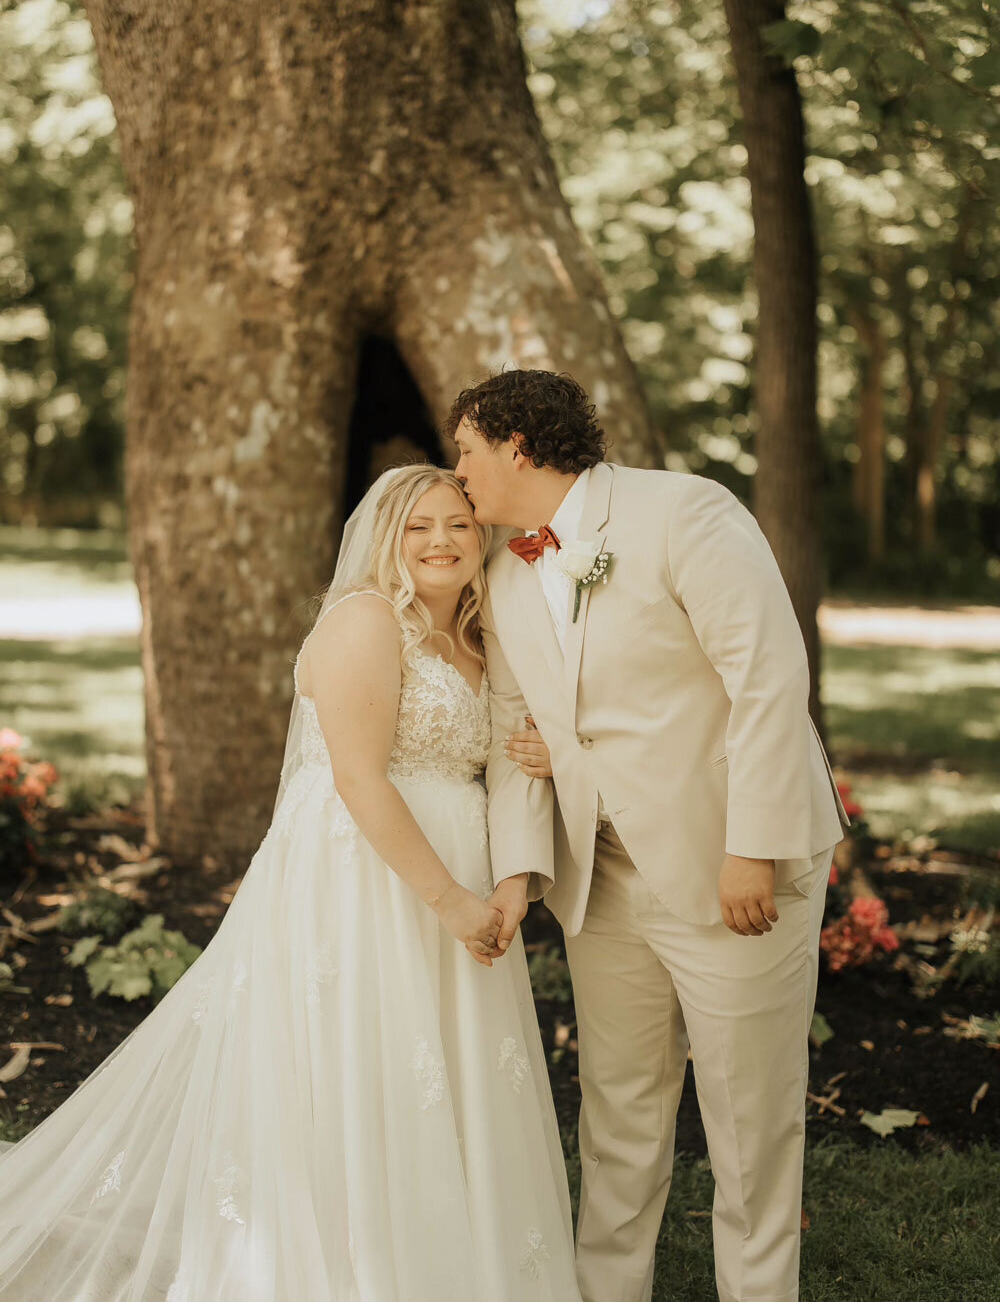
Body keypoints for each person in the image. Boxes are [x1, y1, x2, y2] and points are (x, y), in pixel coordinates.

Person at [0, 464, 583, 1302]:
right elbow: (359, 780)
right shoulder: (366, 622)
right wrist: (452, 901)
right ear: (385, 538)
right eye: (417, 527)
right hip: (366, 886)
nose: (440, 542)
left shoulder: (485, 633)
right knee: (361, 1066)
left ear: (481, 532)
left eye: (457, 523)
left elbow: (506, 760)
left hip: (462, 880)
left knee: (447, 1074)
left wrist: (510, 877)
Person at [446, 370, 850, 1302]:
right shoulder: (506, 571)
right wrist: (520, 869)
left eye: (466, 448)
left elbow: (766, 676)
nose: (457, 468)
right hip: (604, 881)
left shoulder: (687, 513)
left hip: (728, 867)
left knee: (750, 1126)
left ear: (517, 445)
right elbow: (521, 727)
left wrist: (753, 845)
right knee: (617, 1114)